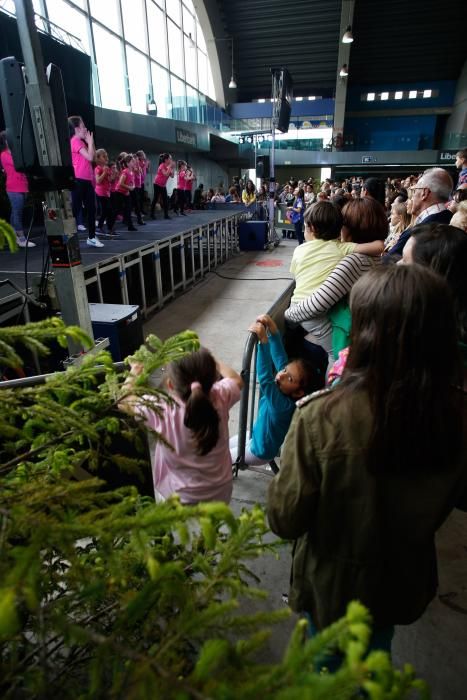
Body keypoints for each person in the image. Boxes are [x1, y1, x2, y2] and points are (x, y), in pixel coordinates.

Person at [267, 264, 466, 659]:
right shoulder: (455, 413)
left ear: (366, 332)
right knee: (375, 659)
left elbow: (285, 518)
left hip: (332, 587)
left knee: (325, 671)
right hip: (401, 580)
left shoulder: (322, 417)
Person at [120, 348, 243, 504]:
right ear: (214, 378)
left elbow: (124, 401)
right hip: (220, 491)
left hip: (178, 497)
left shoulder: (161, 408)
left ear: (170, 384)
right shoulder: (221, 395)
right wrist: (213, 359)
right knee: (212, 527)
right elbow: (236, 379)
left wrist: (135, 370)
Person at [287, 199, 386, 363]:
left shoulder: (353, 261)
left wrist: (288, 313)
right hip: (359, 332)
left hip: (314, 316)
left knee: (337, 357)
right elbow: (379, 246)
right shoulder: (355, 254)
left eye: (344, 223)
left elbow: (316, 305)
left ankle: (332, 384)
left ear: (354, 228)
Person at [230, 314, 316, 466]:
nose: (281, 375)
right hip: (256, 436)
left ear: (298, 392)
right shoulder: (285, 388)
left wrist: (263, 343)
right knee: (224, 446)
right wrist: (273, 331)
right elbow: (281, 360)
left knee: (219, 458)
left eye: (289, 378)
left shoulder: (283, 406)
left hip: (259, 451)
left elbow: (264, 379)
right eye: (284, 371)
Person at [386, 167, 453, 257]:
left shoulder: (420, 230)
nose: (411, 198)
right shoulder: (450, 219)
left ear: (424, 193)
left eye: (414, 190)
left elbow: (388, 262)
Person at [68, 115, 103, 247]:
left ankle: (92, 237)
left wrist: (90, 142)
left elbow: (93, 157)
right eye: (83, 126)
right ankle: (66, 237)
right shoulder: (75, 140)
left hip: (87, 180)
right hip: (78, 179)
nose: (85, 128)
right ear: (76, 128)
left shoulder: (82, 142)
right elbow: (89, 157)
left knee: (91, 209)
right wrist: (89, 142)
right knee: (75, 209)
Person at [0, 131, 35, 248]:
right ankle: (21, 239)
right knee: (17, 212)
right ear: (6, 141)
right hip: (13, 188)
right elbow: (19, 164)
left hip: (23, 186)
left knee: (15, 212)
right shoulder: (4, 155)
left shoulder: (16, 153)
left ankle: (13, 235)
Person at [94, 148, 117, 236]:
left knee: (108, 211)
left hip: (107, 193)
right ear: (98, 158)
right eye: (104, 156)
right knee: (107, 210)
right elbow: (98, 181)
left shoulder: (106, 168)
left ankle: (106, 228)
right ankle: (105, 228)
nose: (106, 158)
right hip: (100, 193)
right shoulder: (98, 168)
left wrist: (114, 175)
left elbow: (109, 180)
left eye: (106, 156)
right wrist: (104, 172)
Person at [115, 154, 137, 231]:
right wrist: (129, 188)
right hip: (119, 192)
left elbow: (132, 183)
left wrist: (132, 187)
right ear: (127, 163)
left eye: (134, 161)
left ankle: (130, 226)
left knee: (128, 208)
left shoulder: (132, 172)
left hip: (125, 192)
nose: (134, 162)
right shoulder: (125, 171)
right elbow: (120, 183)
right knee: (116, 210)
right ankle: (109, 226)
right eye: (132, 161)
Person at [151, 153, 174, 220]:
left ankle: (166, 215)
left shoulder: (168, 167)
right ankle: (152, 214)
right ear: (166, 160)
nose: (171, 160)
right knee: (155, 199)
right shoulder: (161, 166)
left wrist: (172, 168)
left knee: (165, 200)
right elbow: (166, 174)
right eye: (170, 158)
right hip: (157, 184)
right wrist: (170, 167)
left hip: (163, 185)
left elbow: (172, 176)